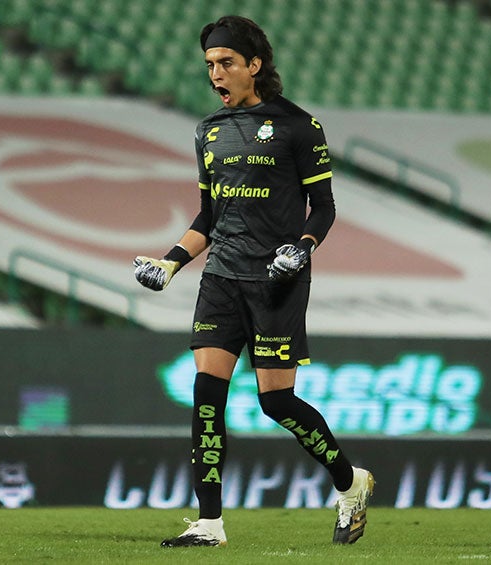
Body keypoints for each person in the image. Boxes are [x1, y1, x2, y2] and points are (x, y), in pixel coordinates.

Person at [133, 15, 373, 548]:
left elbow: (324, 208)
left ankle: (350, 482)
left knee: (276, 403)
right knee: (205, 398)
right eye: (209, 65)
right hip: (221, 278)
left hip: (275, 281)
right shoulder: (208, 131)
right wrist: (170, 263)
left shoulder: (297, 126)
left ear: (254, 66)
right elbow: (208, 219)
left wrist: (301, 247)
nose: (215, 73)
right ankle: (210, 523)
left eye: (226, 63)